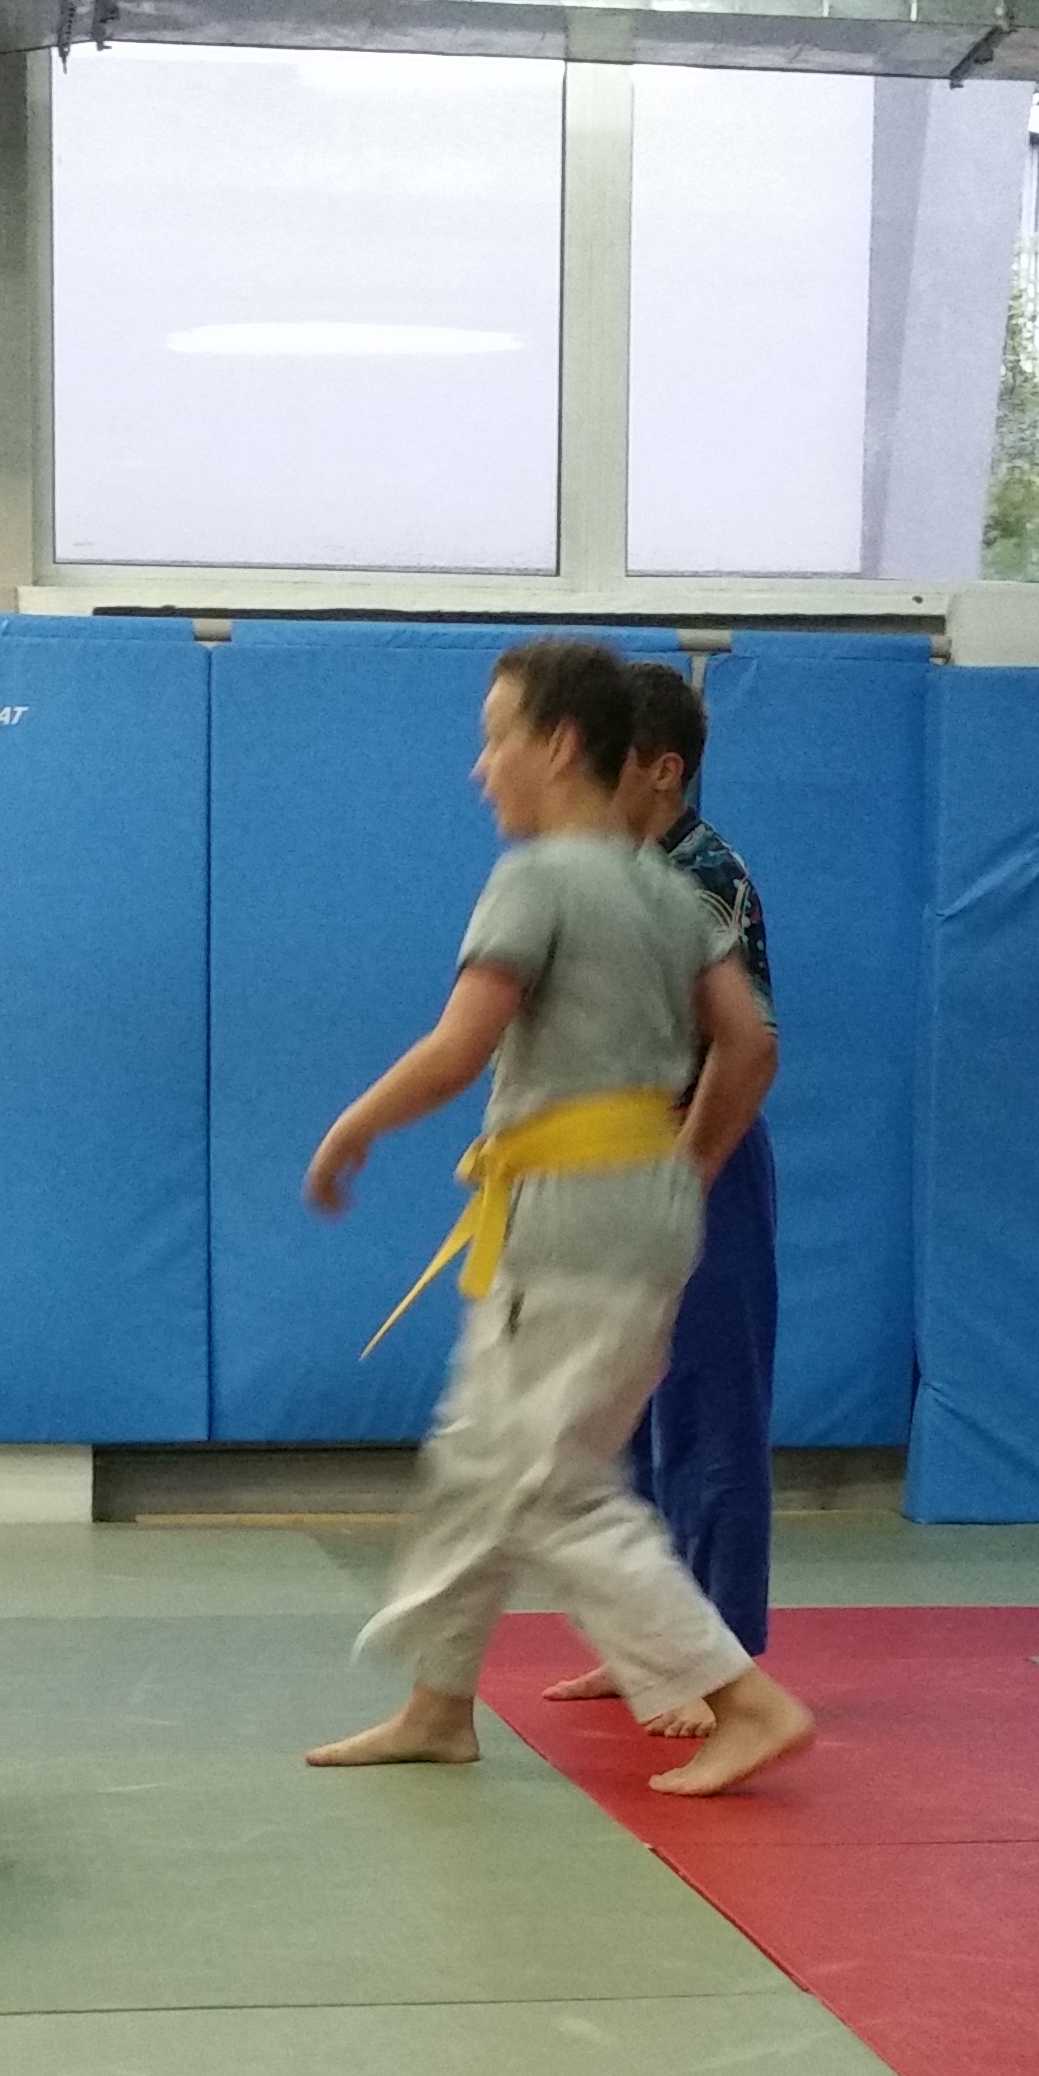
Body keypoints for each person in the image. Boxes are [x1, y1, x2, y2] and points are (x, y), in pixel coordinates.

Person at [304, 635, 811, 1797]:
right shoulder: (667, 889)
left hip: (568, 1227)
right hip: (637, 1214)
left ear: (560, 744)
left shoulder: (536, 881)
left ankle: (740, 1695)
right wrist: (682, 1169)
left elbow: (458, 1049)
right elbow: (744, 1043)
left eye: (495, 739)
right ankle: (438, 1704)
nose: (480, 766)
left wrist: (353, 1127)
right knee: (481, 1455)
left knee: (544, 1481)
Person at [536, 659, 781, 1708]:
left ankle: (721, 1667)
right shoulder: (620, 873)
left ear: (664, 769)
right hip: (621, 1160)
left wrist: (689, 1172)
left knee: (708, 1408)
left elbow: (746, 1047)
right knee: (620, 1413)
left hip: (703, 1157)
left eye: (610, 759)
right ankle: (648, 1640)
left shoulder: (703, 879)